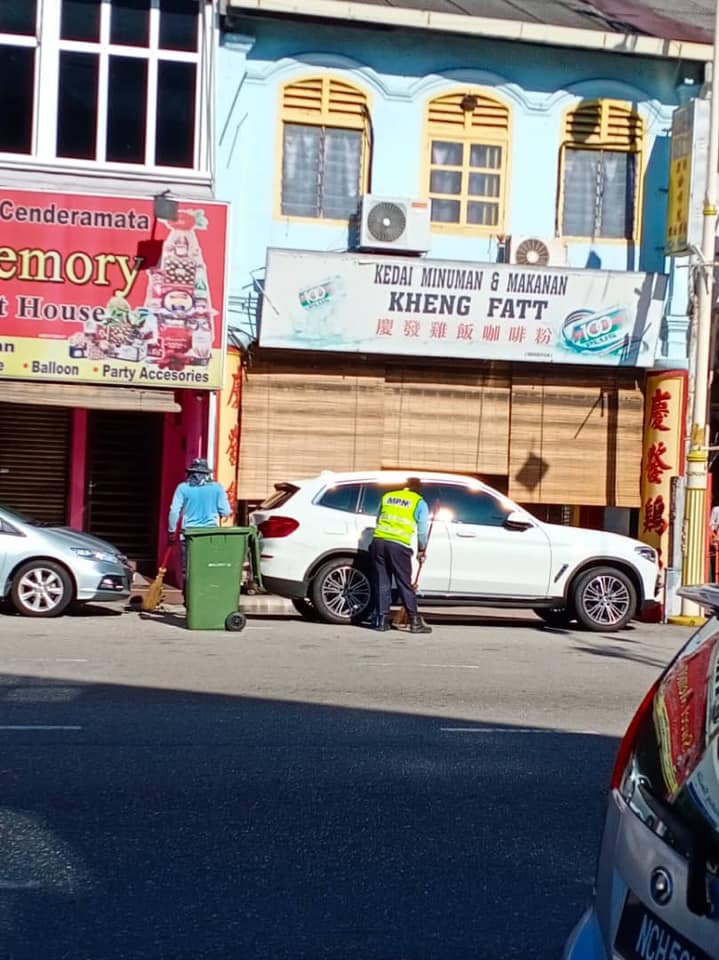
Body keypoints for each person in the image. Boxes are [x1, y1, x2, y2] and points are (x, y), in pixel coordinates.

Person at [369, 476, 431, 634]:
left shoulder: (388, 496)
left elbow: (378, 519)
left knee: (382, 582)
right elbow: (423, 530)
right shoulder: (419, 502)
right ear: (419, 488)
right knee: (404, 583)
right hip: (398, 545)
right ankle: (414, 621)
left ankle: (382, 621)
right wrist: (421, 549)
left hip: (378, 541)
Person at [168, 458, 232, 595]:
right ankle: (206, 596)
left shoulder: (183, 488)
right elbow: (226, 512)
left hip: (189, 535)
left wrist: (171, 531)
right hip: (210, 536)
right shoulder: (217, 488)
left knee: (188, 570)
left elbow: (174, 511)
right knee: (208, 567)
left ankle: (189, 599)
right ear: (207, 474)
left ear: (190, 472)